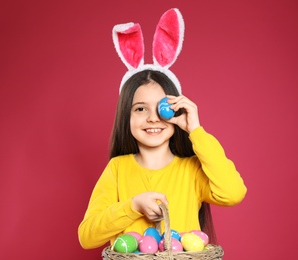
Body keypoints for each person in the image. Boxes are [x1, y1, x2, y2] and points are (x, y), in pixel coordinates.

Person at [78, 8, 247, 250]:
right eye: (140, 109)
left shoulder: (191, 170)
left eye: (162, 107)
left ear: (176, 110)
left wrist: (196, 131)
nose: (153, 118)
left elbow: (233, 192)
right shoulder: (117, 169)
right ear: (125, 116)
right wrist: (132, 206)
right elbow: (87, 237)